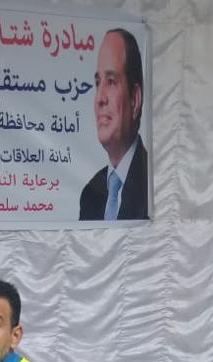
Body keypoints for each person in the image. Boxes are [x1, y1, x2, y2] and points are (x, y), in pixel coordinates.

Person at [79, 28, 148, 221]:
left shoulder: (154, 183)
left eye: (111, 81)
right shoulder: (90, 195)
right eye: (97, 82)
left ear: (135, 99)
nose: (100, 98)